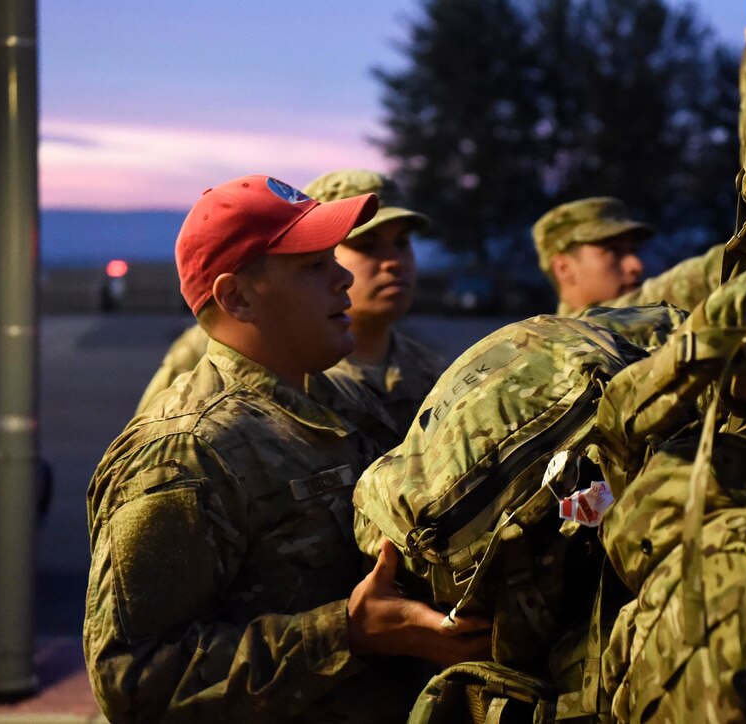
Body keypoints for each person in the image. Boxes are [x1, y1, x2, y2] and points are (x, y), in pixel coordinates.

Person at [84, 175, 489, 723]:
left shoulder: (343, 399)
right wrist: (346, 633)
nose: (344, 277)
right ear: (238, 297)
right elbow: (134, 681)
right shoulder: (185, 451)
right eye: (314, 266)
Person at [134, 170, 447, 434]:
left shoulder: (428, 373)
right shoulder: (191, 437)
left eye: (403, 243)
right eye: (315, 263)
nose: (393, 262)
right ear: (238, 297)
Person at [304, 169, 448, 432]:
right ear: (319, 257)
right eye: (368, 246)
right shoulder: (295, 379)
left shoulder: (438, 377)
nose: (394, 262)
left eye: (402, 242)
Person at [532, 196, 725, 317]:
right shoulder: (555, 343)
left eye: (633, 250)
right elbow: (692, 281)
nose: (636, 265)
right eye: (613, 251)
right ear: (564, 269)